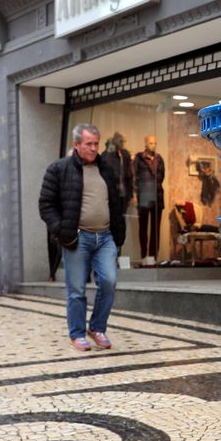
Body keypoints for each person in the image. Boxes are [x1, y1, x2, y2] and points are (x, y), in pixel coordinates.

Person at [39, 124, 125, 352]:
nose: (94, 148)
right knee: (76, 290)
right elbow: (45, 205)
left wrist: (119, 233)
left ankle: (96, 328)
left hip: (105, 237)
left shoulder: (106, 169)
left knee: (109, 282)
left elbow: (117, 203)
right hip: (78, 239)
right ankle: (77, 334)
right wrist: (63, 230)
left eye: (96, 143)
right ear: (76, 144)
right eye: (89, 144)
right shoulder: (59, 169)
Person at [133, 134, 165, 265]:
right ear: (145, 144)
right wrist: (136, 194)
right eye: (151, 143)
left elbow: (162, 176)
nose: (154, 145)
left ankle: (153, 257)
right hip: (144, 197)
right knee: (143, 227)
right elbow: (134, 176)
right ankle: (143, 255)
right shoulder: (139, 158)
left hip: (157, 196)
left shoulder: (159, 158)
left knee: (155, 229)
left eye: (155, 143)